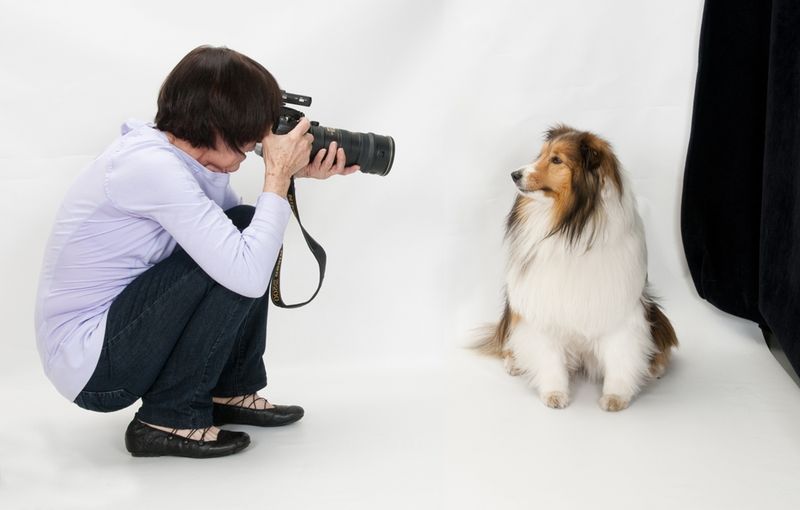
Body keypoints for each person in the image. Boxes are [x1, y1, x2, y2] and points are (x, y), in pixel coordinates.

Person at [34, 45, 359, 458]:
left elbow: (247, 240)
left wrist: (293, 172)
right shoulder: (150, 166)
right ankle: (168, 417)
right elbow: (245, 268)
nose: (249, 152)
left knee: (244, 227)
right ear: (214, 126)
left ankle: (226, 390)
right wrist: (276, 176)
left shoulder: (181, 160)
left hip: (113, 341)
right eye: (246, 140)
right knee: (241, 244)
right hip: (93, 366)